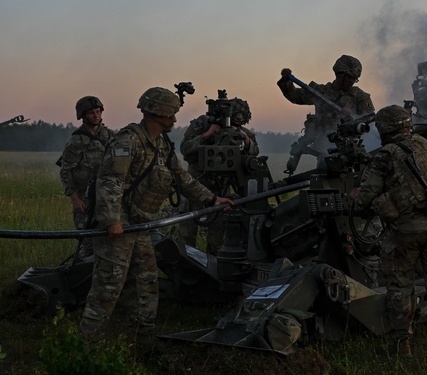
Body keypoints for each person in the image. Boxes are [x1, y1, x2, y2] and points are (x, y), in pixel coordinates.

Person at [78, 87, 235, 341]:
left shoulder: (162, 144)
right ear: (157, 112)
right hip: (120, 225)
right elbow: (110, 181)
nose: (174, 119)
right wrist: (111, 221)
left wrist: (212, 199)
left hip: (140, 225)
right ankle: (86, 344)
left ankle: (141, 336)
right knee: (108, 287)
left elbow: (182, 178)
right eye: (171, 113)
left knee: (146, 281)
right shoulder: (128, 141)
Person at [351, 104, 427, 365]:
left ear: (384, 130)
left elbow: (363, 202)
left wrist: (363, 199)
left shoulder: (384, 156)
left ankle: (402, 346)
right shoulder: (426, 147)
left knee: (400, 286)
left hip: (404, 233)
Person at [174, 95, 259, 253]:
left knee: (218, 237)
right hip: (196, 182)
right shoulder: (204, 124)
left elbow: (254, 153)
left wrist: (246, 140)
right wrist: (207, 135)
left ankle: (214, 267)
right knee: (187, 232)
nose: (234, 126)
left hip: (222, 187)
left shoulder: (242, 133)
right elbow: (185, 148)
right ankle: (186, 269)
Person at [277, 54, 375, 172]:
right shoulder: (321, 91)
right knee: (325, 167)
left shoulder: (360, 97)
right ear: (339, 74)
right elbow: (296, 96)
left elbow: (369, 122)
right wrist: (286, 81)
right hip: (324, 145)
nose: (352, 81)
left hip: (352, 147)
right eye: (349, 77)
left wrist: (352, 118)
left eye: (355, 78)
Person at [57, 96, 114, 261]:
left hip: (107, 196)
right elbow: (66, 171)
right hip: (85, 198)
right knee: (88, 243)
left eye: (98, 112)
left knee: (110, 239)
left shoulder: (110, 136)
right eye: (91, 113)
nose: (96, 115)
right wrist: (75, 199)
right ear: (83, 115)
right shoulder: (76, 141)